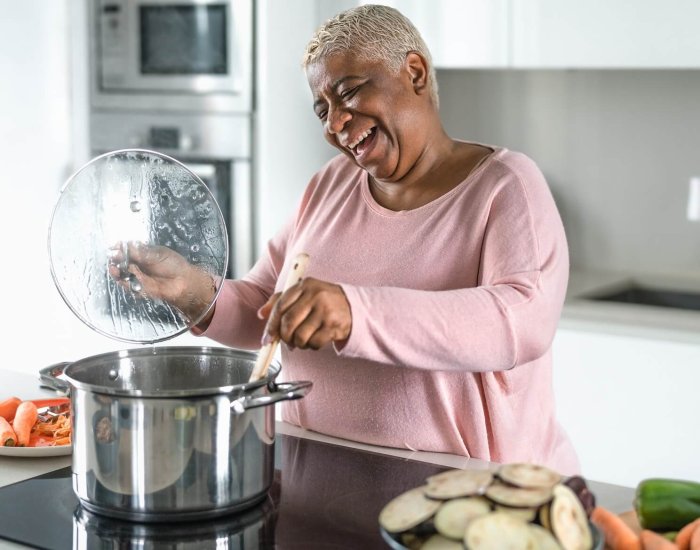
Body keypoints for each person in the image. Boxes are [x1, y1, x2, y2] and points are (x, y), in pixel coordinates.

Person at [117, 4, 580, 474]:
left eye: (350, 93)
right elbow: (266, 309)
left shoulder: (504, 185)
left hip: (466, 497)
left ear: (414, 73)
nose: (335, 125)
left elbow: (520, 321)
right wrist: (193, 291)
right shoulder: (330, 185)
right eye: (324, 110)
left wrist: (355, 312)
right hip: (315, 475)